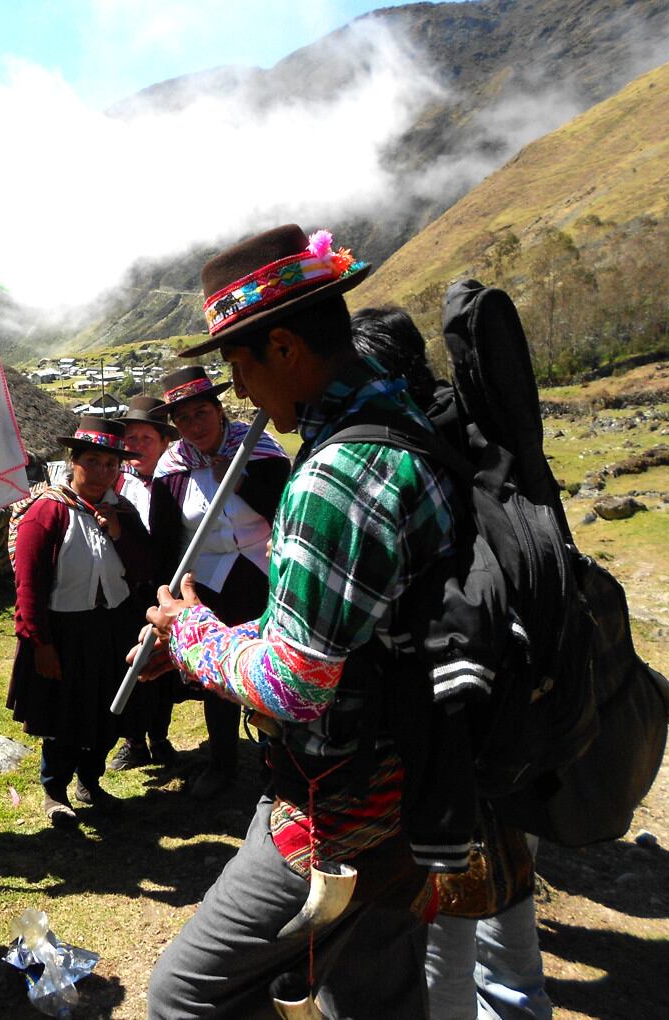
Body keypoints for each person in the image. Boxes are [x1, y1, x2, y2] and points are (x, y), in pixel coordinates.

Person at [139, 224, 455, 1018]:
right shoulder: (407, 423)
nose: (240, 394)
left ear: (284, 349)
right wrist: (210, 645)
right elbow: (347, 634)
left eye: (241, 367)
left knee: (184, 997)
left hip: (340, 809)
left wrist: (193, 636)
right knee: (372, 993)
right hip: (419, 779)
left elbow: (297, 682)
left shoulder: (334, 476)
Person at [350, 307, 552, 1020]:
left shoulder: (408, 453)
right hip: (517, 713)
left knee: (447, 943)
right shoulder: (482, 439)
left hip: (458, 727)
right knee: (513, 912)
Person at [148, 365, 291, 800]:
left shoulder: (260, 449)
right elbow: (165, 539)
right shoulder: (171, 472)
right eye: (184, 419)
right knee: (217, 674)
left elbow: (283, 508)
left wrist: (239, 475)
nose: (195, 426)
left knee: (275, 664)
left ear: (218, 410)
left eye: (201, 413)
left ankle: (281, 763)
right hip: (208, 584)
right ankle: (223, 764)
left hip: (265, 575)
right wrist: (167, 593)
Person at [7, 417, 151, 825]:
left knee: (109, 710)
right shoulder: (47, 511)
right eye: (93, 461)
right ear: (73, 461)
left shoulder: (121, 510)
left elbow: (144, 568)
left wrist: (120, 532)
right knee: (63, 714)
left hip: (114, 628)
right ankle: (55, 792)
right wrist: (40, 643)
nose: (103, 472)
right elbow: (29, 584)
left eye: (111, 464)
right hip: (65, 631)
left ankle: (90, 781)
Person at [108, 395, 182, 771]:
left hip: (169, 588)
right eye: (130, 438)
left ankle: (160, 736)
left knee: (164, 668)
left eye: (145, 438)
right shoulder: (117, 485)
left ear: (164, 442)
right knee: (131, 661)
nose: (135, 446)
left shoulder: (179, 483)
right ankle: (133, 741)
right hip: (130, 591)